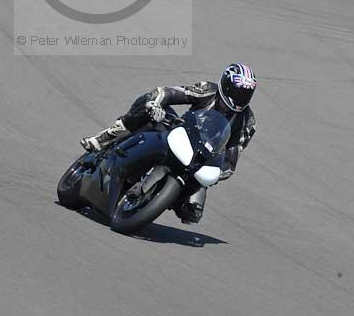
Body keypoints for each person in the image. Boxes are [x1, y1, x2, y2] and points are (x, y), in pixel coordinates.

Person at [80, 63, 257, 224]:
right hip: (181, 133)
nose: (240, 98)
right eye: (238, 92)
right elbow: (169, 92)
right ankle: (106, 137)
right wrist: (155, 104)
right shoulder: (207, 90)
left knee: (193, 214)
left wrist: (219, 172)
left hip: (200, 157)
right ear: (225, 85)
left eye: (246, 94)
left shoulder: (247, 122)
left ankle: (152, 200)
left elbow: (232, 158)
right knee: (146, 106)